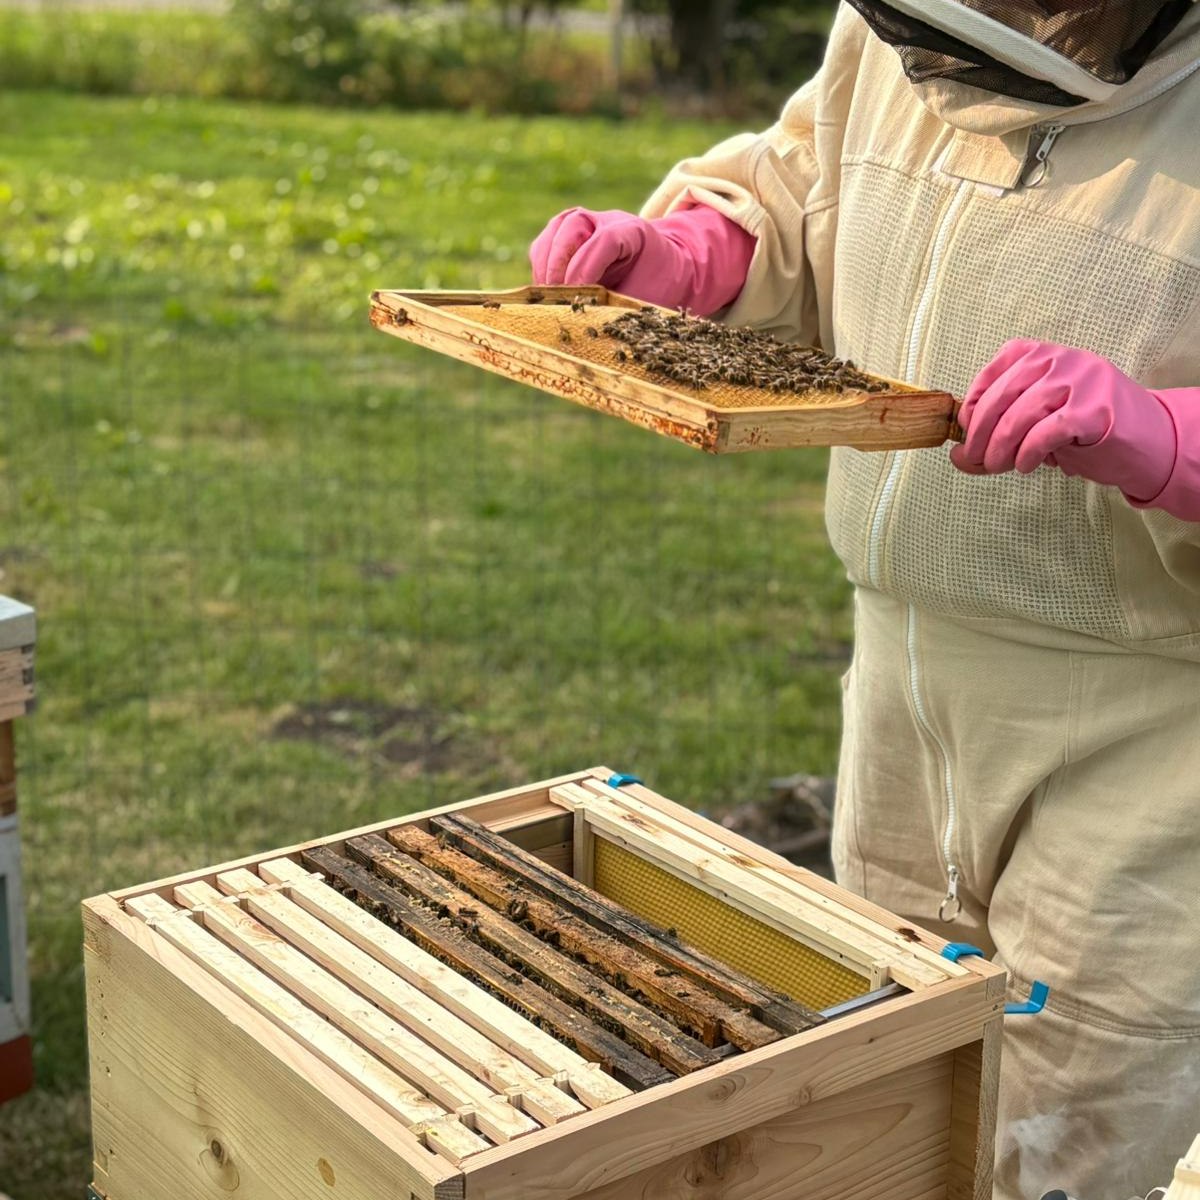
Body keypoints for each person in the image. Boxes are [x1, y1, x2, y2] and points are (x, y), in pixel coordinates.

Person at [529, 4, 1200, 1198]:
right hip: (898, 681)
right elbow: (801, 186)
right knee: (879, 1092)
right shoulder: (891, 35)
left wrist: (1163, 433)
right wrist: (691, 254)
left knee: (1056, 1148)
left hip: (1149, 747)